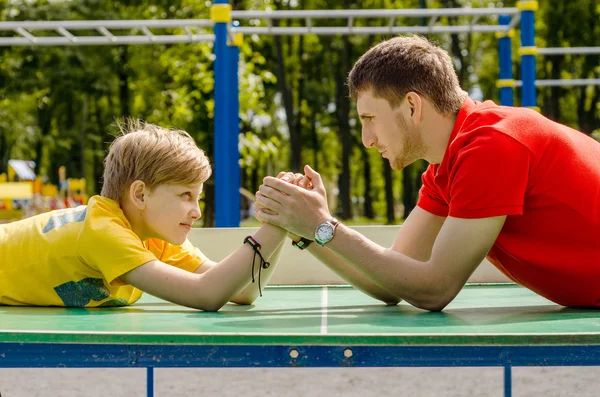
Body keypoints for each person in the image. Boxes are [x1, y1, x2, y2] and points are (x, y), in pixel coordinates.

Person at [254, 35, 600, 310]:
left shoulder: (492, 145)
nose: (367, 140)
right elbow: (389, 281)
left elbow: (435, 290)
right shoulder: (448, 167)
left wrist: (321, 225)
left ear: (411, 105)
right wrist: (303, 224)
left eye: (369, 119)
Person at [0, 119, 287, 311]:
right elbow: (207, 294)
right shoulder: (104, 232)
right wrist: (280, 221)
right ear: (139, 194)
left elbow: (244, 290)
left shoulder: (156, 237)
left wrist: (280, 223)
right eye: (185, 195)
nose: (197, 211)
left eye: (197, 197)